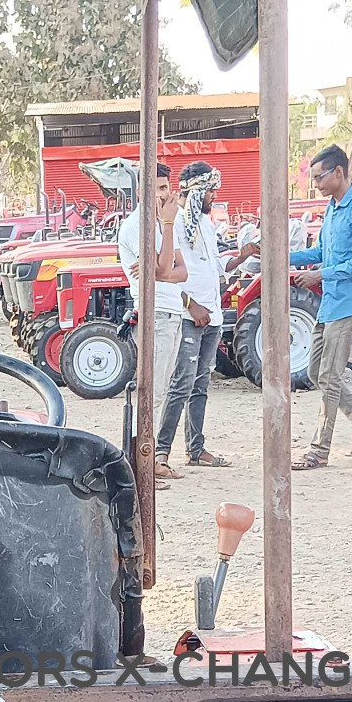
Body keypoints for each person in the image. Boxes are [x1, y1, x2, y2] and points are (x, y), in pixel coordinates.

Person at [288, 144, 352, 469]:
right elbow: (319, 251)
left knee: (328, 377)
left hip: (347, 305)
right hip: (329, 304)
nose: (315, 183)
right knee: (317, 373)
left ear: (339, 172)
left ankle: (319, 450)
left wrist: (322, 274)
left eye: (319, 177)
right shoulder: (332, 208)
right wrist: (282, 256)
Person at [153, 161, 230, 472]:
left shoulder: (206, 224)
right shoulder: (176, 225)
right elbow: (167, 273)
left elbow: (212, 268)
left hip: (212, 317)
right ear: (198, 190)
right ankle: (160, 451)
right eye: (211, 190)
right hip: (188, 316)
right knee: (181, 384)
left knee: (200, 384)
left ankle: (195, 449)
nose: (214, 196)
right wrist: (191, 305)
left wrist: (243, 255)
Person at [117, 163, 187, 486]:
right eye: (157, 188)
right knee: (149, 393)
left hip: (172, 313)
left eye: (165, 187)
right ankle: (136, 466)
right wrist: (168, 227)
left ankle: (148, 461)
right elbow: (163, 265)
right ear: (143, 191)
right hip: (153, 314)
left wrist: (160, 268)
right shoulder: (137, 226)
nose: (164, 194)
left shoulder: (164, 225)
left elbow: (177, 271)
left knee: (160, 391)